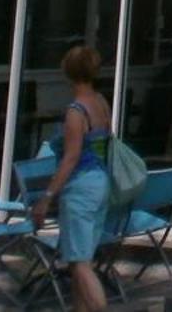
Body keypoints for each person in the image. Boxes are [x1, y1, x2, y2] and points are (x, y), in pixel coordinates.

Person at [31, 45, 115, 312]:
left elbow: (71, 157)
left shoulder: (76, 112)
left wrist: (47, 197)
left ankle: (100, 307)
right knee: (85, 255)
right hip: (102, 181)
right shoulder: (101, 103)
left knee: (78, 262)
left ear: (68, 74)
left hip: (81, 187)